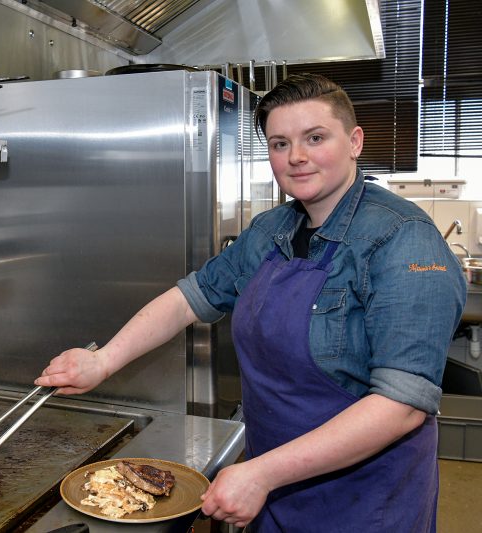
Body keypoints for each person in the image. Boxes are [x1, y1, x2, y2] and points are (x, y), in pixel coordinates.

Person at [34, 73, 467, 531]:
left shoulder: (404, 241)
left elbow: (401, 406)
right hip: (271, 484)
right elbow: (190, 298)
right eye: (279, 144)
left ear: (355, 141)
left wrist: (262, 473)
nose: (296, 157)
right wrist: (101, 363)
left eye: (315, 138)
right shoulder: (270, 230)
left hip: (361, 499)